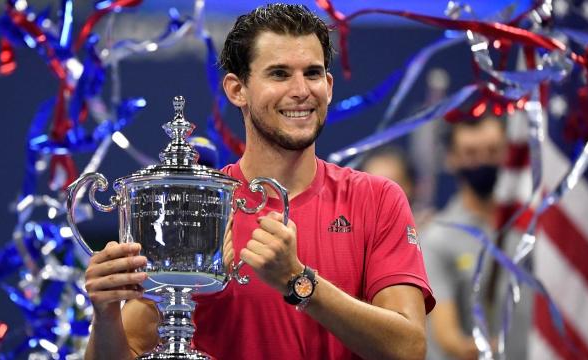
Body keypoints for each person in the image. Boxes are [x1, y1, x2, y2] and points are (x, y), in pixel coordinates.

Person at [82, 4, 434, 360]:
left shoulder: (376, 199)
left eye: (312, 74)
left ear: (328, 86)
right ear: (237, 90)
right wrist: (105, 311)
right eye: (279, 74)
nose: (300, 90)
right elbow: (125, 352)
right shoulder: (201, 211)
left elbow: (409, 349)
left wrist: (299, 282)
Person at [421, 116, 530, 360]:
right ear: (451, 159)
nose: (482, 161)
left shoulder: (530, 226)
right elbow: (447, 336)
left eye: (492, 151)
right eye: (471, 153)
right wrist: (480, 349)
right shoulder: (436, 238)